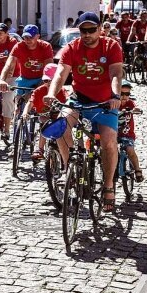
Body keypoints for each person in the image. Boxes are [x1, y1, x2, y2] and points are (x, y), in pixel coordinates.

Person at [45, 12, 124, 212]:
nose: (87, 34)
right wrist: (51, 94)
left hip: (106, 102)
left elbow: (115, 73)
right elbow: (61, 73)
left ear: (99, 29)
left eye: (91, 30)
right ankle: (68, 168)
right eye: (83, 30)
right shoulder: (72, 48)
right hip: (79, 99)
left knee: (108, 142)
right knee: (61, 126)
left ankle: (108, 185)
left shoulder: (111, 46)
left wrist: (115, 95)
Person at [0, 24, 54, 141]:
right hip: (24, 79)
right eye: (25, 37)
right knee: (18, 105)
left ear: (38, 36)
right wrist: (2, 80)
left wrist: (39, 88)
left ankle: (45, 139)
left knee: (42, 107)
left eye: (31, 37)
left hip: (41, 79)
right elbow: (9, 64)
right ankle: (16, 141)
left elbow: (49, 69)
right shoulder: (19, 47)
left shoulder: (45, 46)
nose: (27, 40)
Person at [26, 63, 67, 161]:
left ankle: (63, 151)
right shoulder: (39, 91)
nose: (49, 83)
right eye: (46, 80)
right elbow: (30, 103)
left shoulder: (62, 91)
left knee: (62, 128)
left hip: (58, 116)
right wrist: (25, 113)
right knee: (45, 125)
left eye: (52, 80)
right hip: (44, 116)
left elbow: (68, 101)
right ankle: (40, 149)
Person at [118, 80, 144, 182]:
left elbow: (135, 107)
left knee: (130, 150)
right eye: (121, 93)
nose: (124, 96)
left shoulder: (129, 103)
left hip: (127, 134)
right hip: (114, 133)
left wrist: (136, 109)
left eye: (127, 94)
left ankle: (137, 170)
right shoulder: (114, 103)